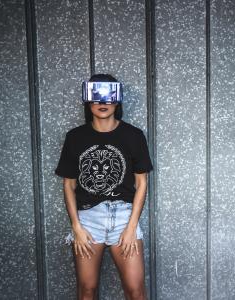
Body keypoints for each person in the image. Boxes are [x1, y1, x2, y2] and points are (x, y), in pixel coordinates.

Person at [55, 73, 153, 300]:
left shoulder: (133, 135)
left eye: (108, 96)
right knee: (87, 290)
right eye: (96, 97)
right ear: (87, 100)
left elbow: (142, 183)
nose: (102, 103)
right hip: (89, 219)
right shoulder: (75, 137)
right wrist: (77, 228)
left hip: (123, 217)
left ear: (117, 100)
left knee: (136, 291)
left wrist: (131, 227)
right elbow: (68, 185)